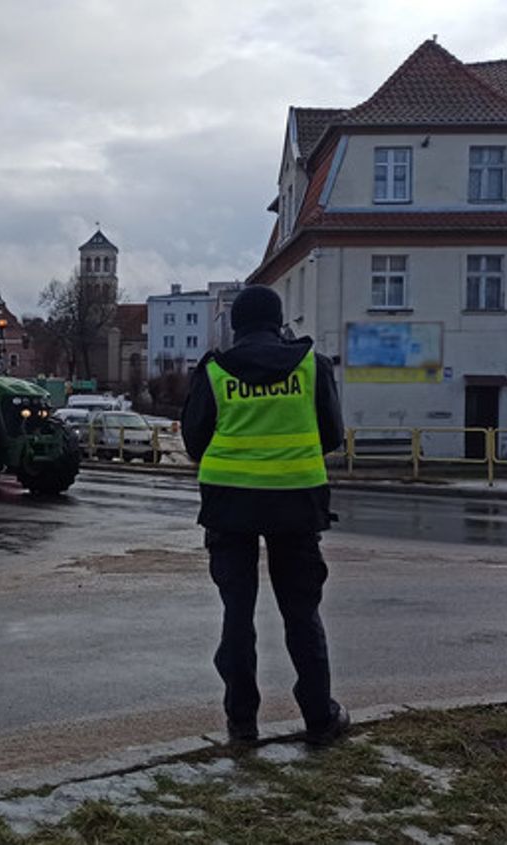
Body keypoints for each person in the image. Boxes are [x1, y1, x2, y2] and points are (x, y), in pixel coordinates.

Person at [181, 285, 348, 746]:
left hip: (229, 507)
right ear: (278, 322)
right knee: (301, 613)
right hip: (296, 504)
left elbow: (194, 441)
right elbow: (332, 435)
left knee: (237, 615)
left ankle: (242, 722)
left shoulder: (215, 370)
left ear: (236, 327)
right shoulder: (312, 367)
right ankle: (319, 717)